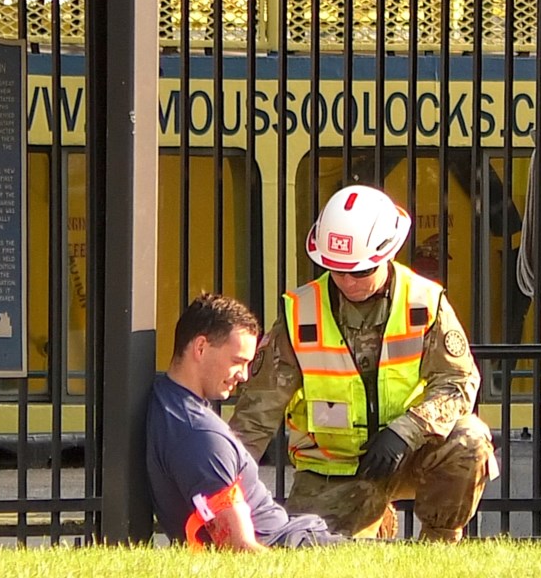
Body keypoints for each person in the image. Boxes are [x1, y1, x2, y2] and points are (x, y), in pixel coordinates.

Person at [228, 184, 498, 543]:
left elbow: (459, 383)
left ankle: (439, 541)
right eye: (336, 270)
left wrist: (407, 430)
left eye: (360, 271)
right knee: (313, 553)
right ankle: (376, 519)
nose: (348, 282)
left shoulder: (424, 302)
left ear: (387, 255)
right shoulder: (300, 314)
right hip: (331, 469)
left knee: (471, 439)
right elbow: (255, 416)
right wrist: (224, 493)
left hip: (409, 453)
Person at [146, 292, 344, 550]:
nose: (244, 375)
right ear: (201, 348)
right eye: (238, 361)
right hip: (291, 544)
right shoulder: (199, 436)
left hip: (295, 533)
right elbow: (239, 549)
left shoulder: (166, 400)